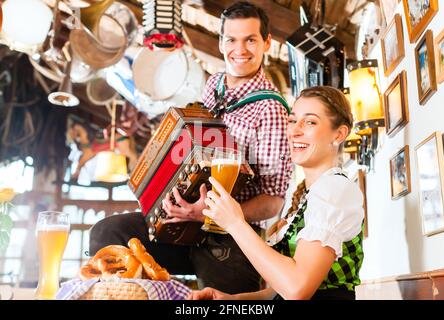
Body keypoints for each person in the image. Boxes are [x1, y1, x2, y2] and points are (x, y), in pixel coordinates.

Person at [89, 1, 292, 294]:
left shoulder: (271, 108)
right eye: (232, 39)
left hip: (230, 240)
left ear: (267, 43)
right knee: (108, 233)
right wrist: (170, 199)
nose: (240, 49)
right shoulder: (215, 86)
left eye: (251, 39)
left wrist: (207, 214)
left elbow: (273, 201)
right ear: (221, 42)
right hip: (184, 227)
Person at [188, 86, 365, 300]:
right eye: (292, 120)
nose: (294, 130)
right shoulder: (307, 197)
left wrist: (235, 223)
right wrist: (230, 300)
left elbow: (297, 289)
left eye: (310, 122)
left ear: (339, 134)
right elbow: (278, 292)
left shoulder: (335, 190)